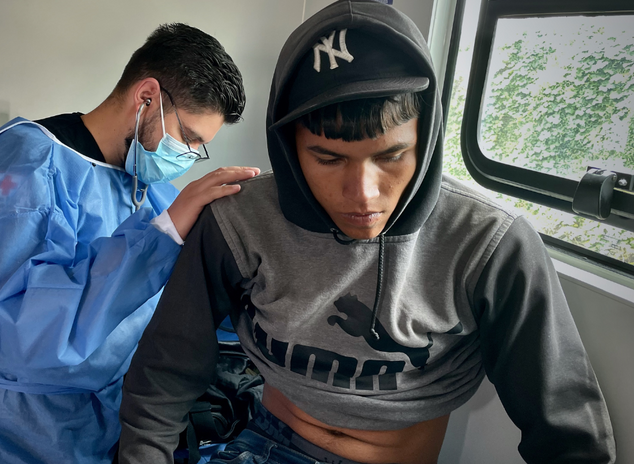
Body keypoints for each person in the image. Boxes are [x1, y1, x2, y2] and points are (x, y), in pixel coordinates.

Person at [117, 2, 616, 463]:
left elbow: (567, 431)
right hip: (265, 444)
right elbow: (164, 374)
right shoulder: (238, 221)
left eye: (391, 156)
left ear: (426, 138)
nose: (364, 195)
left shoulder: (488, 243)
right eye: (328, 159)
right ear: (290, 149)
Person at [0, 23, 259, 464]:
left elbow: (166, 302)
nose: (190, 156)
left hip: (92, 429)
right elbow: (31, 327)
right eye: (191, 138)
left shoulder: (148, 191)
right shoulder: (20, 165)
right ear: (146, 97)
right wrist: (163, 236)